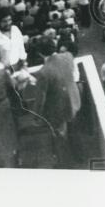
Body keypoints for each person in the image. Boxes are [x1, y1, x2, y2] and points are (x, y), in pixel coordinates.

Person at [33, 37, 82, 167]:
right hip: (73, 101)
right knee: (75, 131)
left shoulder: (44, 72)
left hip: (58, 109)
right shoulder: (68, 56)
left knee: (61, 138)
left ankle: (65, 164)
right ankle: (79, 156)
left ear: (40, 53)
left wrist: (36, 116)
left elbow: (40, 98)